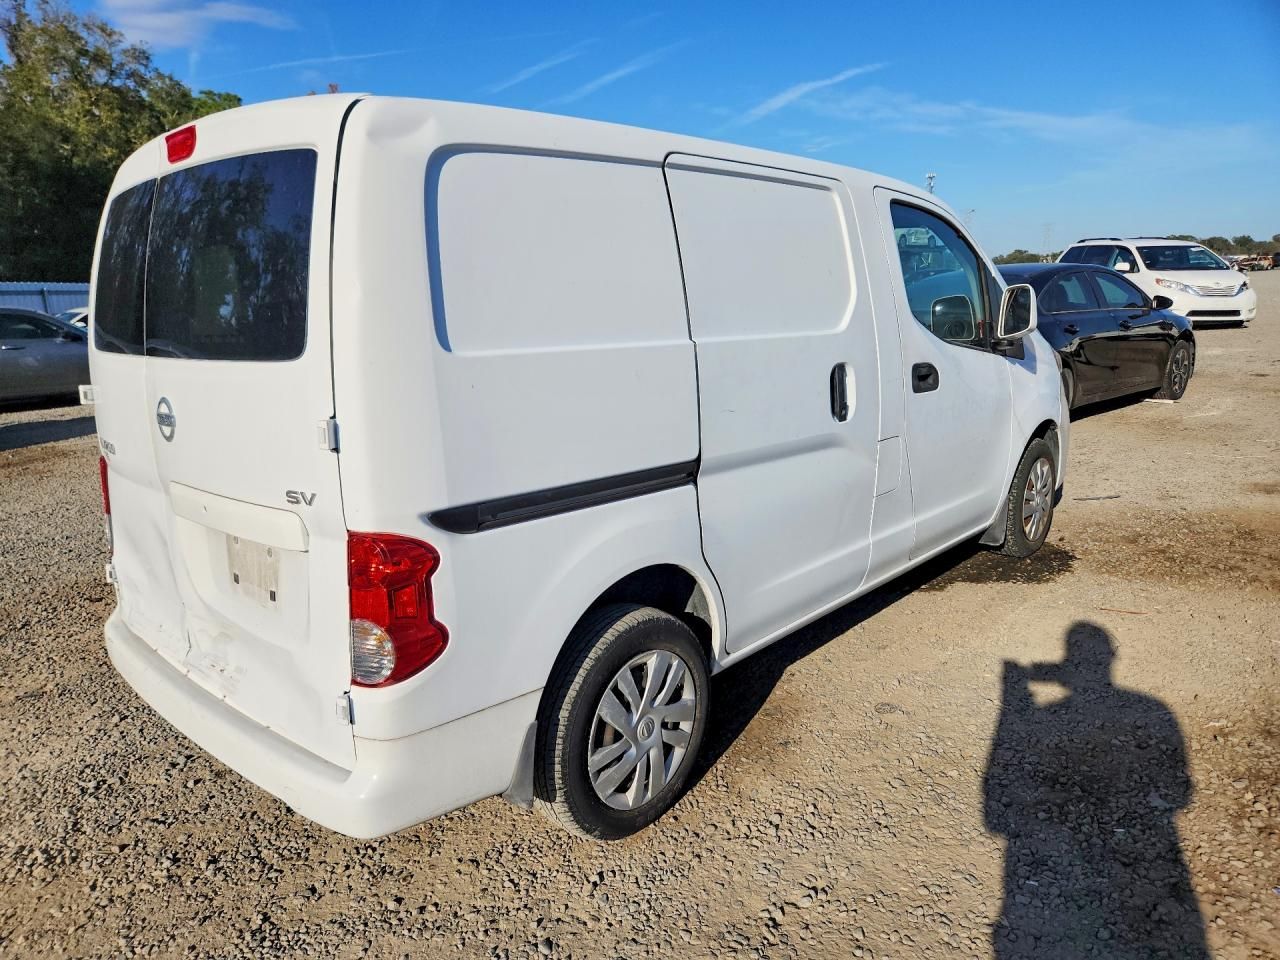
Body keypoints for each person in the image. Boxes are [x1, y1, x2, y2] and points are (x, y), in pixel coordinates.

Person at [983, 622, 1208, 959]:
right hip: (1143, 860)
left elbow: (996, 813)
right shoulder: (1152, 710)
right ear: (1111, 658)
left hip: (1044, 874)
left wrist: (1013, 698)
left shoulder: (1052, 717)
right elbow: (1179, 793)